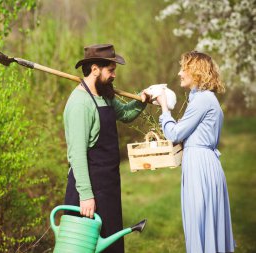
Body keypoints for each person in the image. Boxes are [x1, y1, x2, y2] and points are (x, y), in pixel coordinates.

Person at [63, 44, 148, 253]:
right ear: (95, 69)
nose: (114, 75)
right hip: (88, 189)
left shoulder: (105, 95)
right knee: (86, 247)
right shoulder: (79, 104)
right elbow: (77, 155)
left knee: (110, 247)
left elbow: (126, 115)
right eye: (110, 70)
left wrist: (142, 100)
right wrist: (86, 195)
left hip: (108, 186)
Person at [154, 51, 236, 253]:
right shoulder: (203, 99)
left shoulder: (202, 100)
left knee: (199, 219)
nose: (180, 73)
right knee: (200, 220)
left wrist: (165, 108)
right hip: (202, 164)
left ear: (197, 73)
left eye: (184, 69)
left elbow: (175, 134)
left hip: (200, 166)